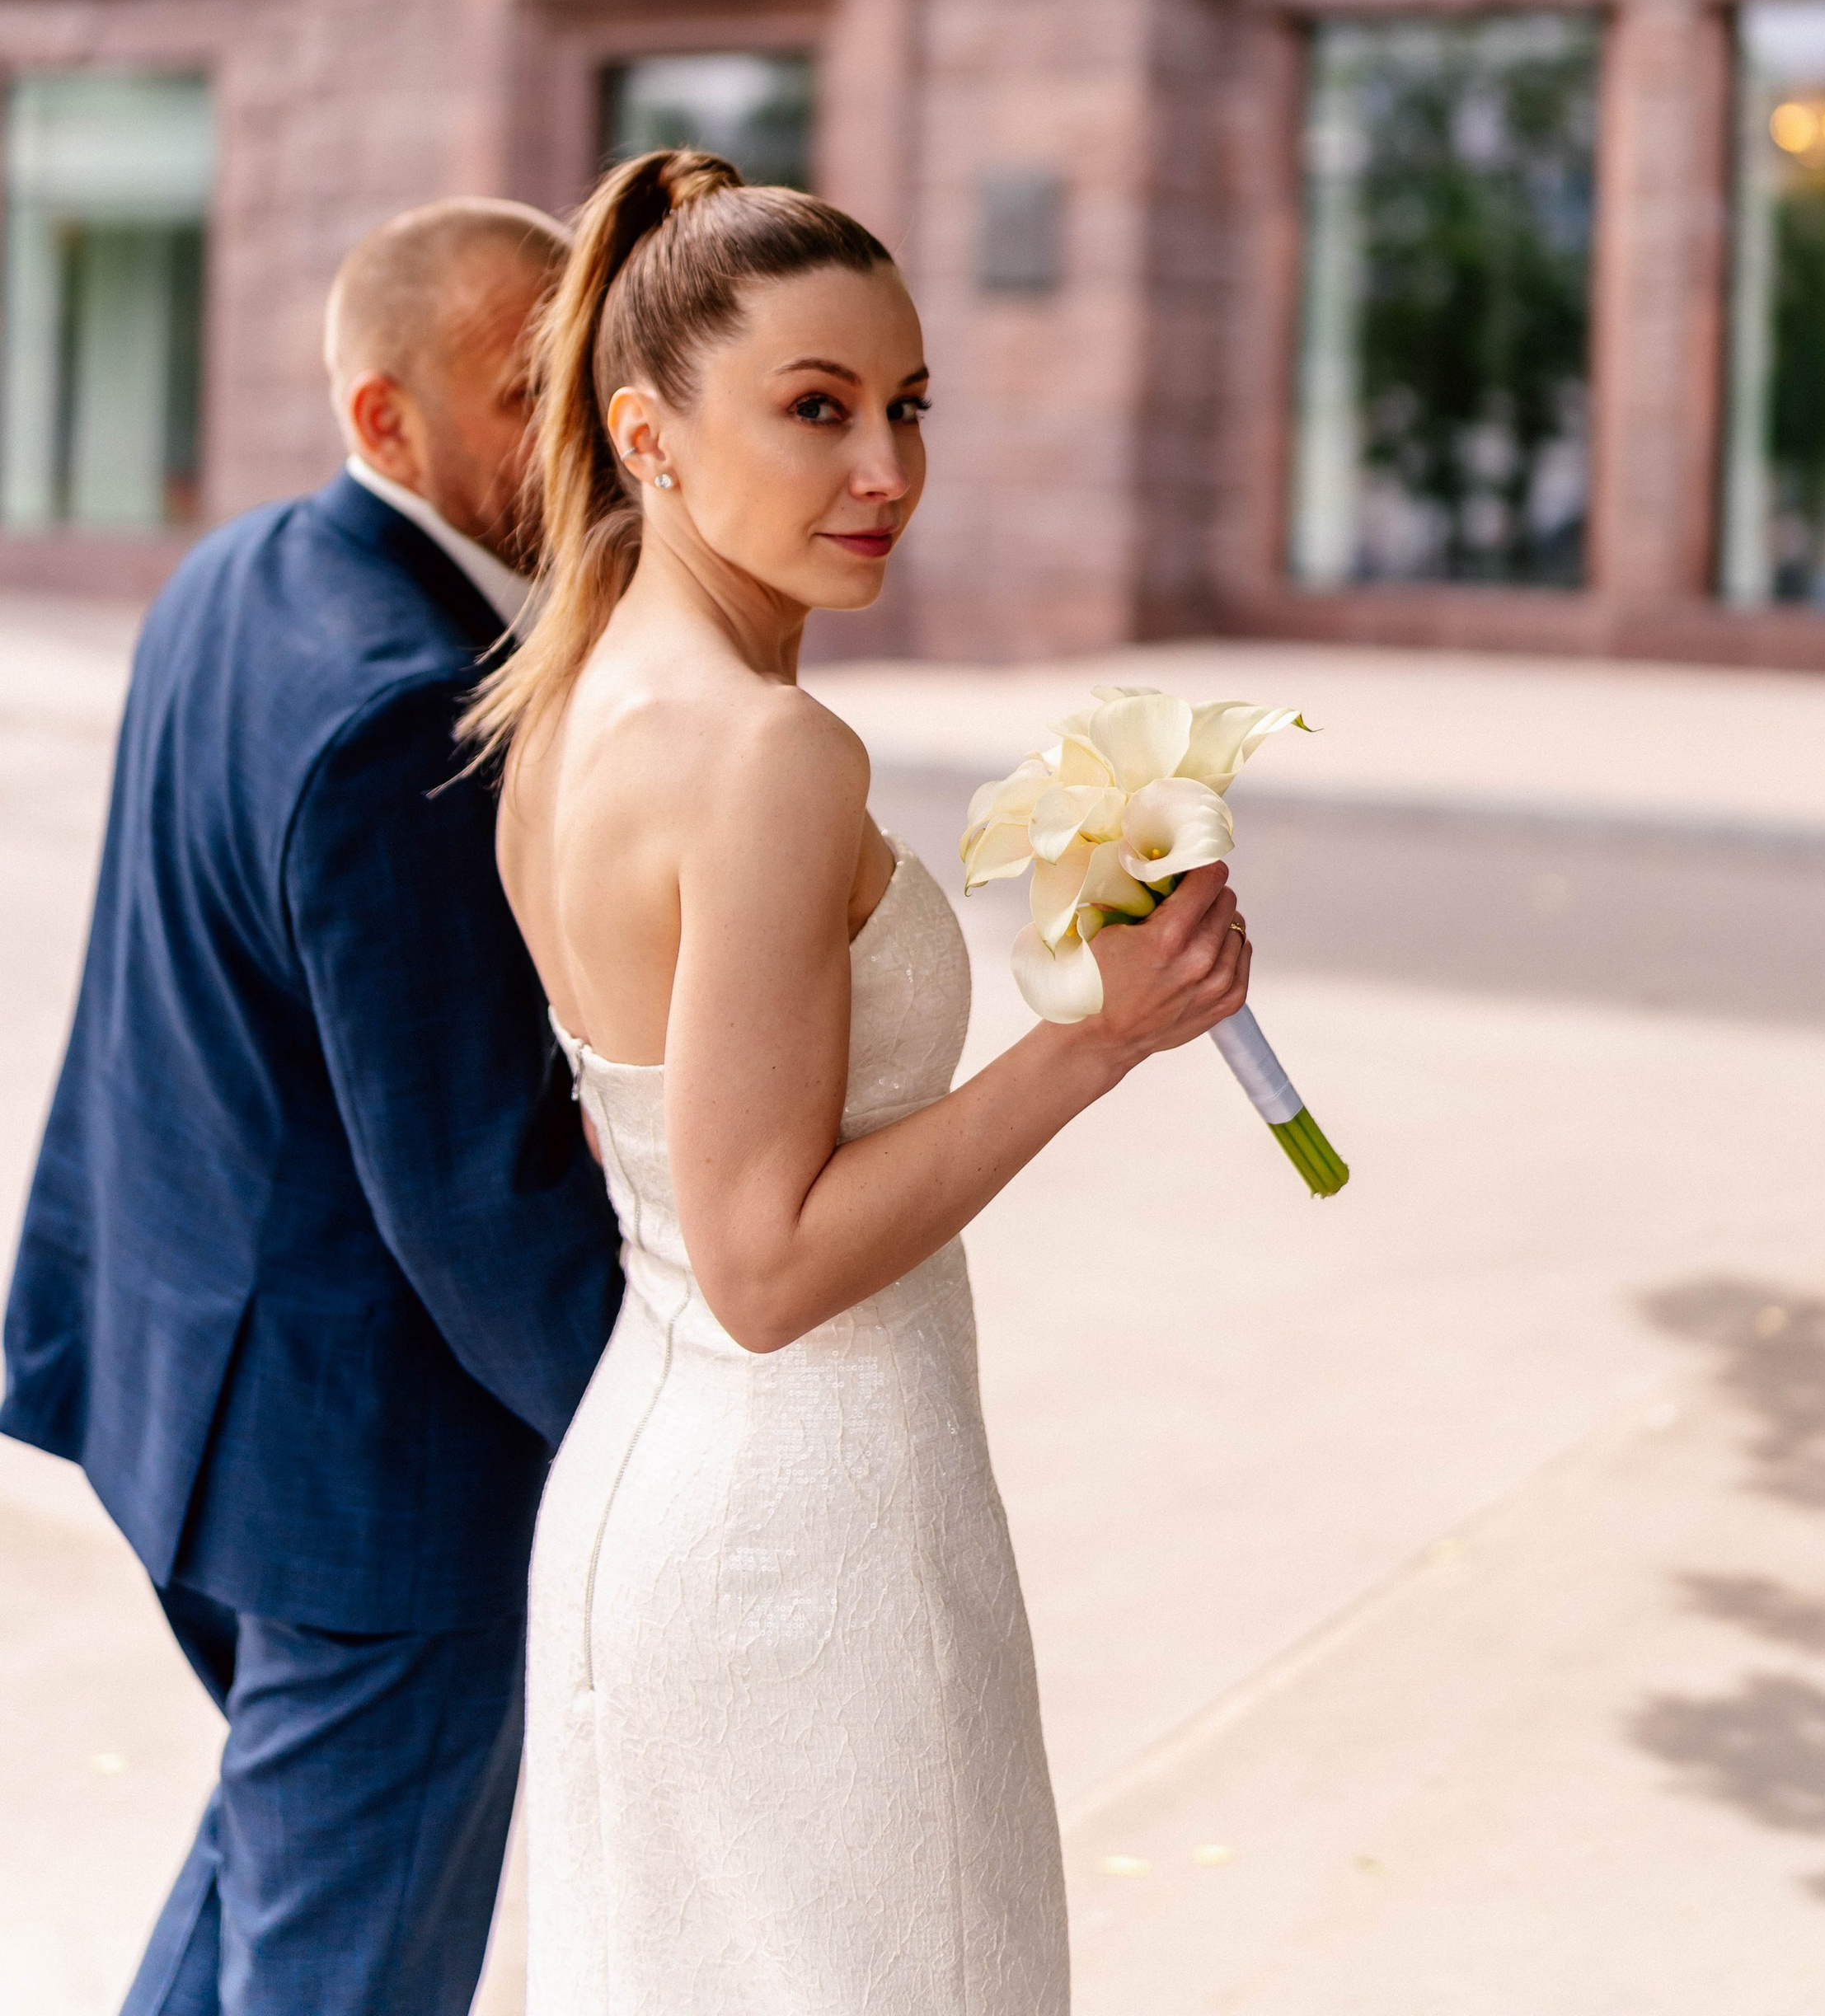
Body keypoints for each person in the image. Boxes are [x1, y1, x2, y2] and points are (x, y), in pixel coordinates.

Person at [480, 149, 1252, 2013]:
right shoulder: (765, 756)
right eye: (815, 410)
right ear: (645, 434)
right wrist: (1096, 1041)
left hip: (647, 1506)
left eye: (907, 406)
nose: (886, 469)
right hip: (807, 1538)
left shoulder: (571, 703)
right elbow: (763, 1262)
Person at [1, 199, 622, 2016]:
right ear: (385, 422)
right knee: (344, 1971)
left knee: (277, 1886)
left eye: (581, 373)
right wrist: (655, 1444)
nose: (577, 429)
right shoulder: (405, 706)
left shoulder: (235, 570)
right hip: (372, 1477)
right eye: (524, 392)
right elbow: (469, 1192)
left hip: (183, 1383)